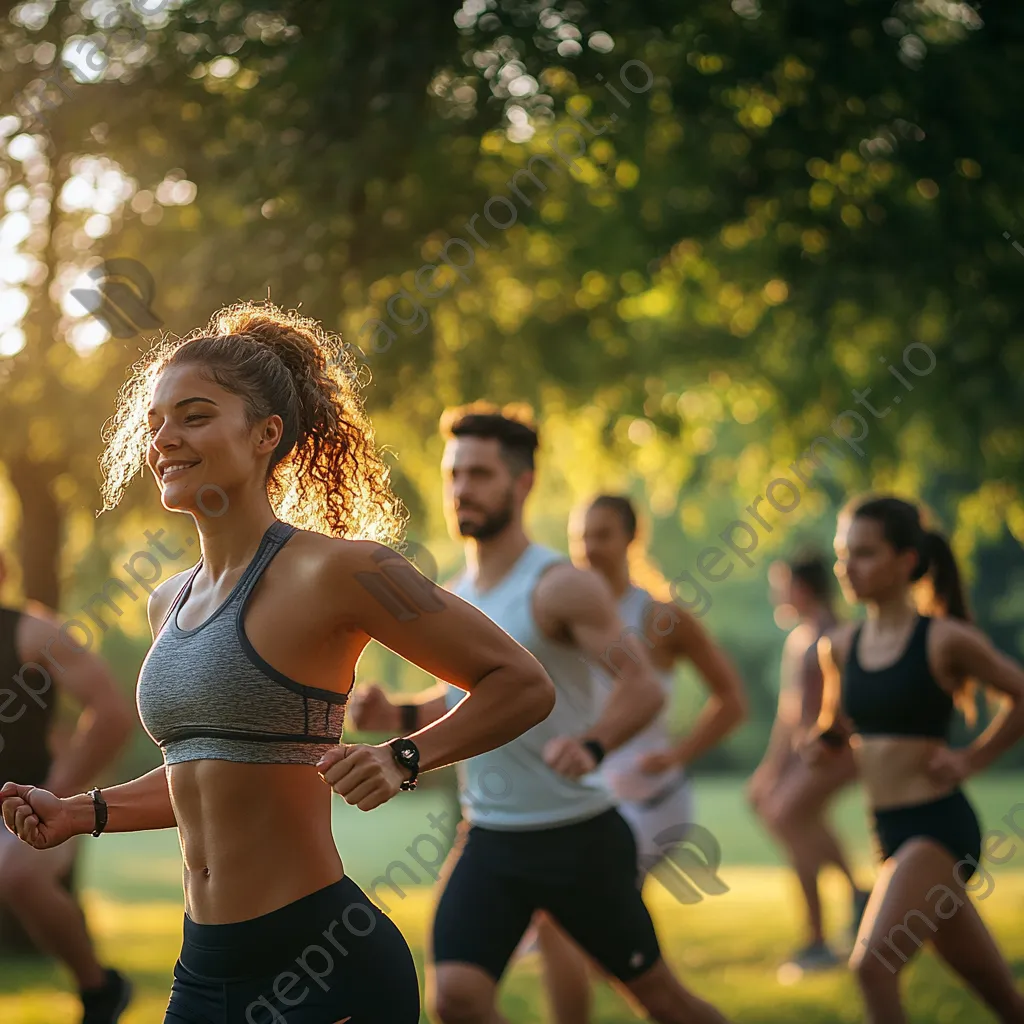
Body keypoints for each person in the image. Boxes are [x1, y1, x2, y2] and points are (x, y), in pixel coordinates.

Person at [1, 303, 556, 1024]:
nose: (165, 438)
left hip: (323, 961)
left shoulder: (343, 571)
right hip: (203, 967)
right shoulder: (166, 600)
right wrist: (82, 811)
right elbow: (209, 774)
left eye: (195, 416)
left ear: (266, 434)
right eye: (155, 422)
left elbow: (522, 683)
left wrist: (405, 755)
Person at [350, 404, 732, 1024]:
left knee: (660, 999)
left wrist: (595, 744)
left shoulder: (560, 587)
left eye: (479, 474)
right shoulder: (460, 596)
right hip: (492, 839)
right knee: (457, 1001)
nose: (462, 489)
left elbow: (642, 686)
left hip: (578, 837)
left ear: (521, 483)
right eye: (454, 475)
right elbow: (466, 702)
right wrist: (395, 711)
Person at [527, 494, 747, 1024]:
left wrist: (677, 755)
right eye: (581, 535)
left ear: (631, 539)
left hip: (652, 799)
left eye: (602, 534)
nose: (588, 548)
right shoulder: (563, 617)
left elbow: (732, 701)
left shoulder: (662, 618)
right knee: (602, 946)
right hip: (591, 797)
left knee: (559, 920)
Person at [807, 495, 1024, 1024]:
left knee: (871, 966)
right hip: (887, 831)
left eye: (863, 553)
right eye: (842, 554)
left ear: (906, 561)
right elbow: (836, 725)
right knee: (1003, 999)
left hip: (938, 831)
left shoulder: (944, 639)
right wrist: (820, 744)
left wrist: (972, 759)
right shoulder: (838, 647)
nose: (846, 567)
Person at [0, 552, 136, 1023]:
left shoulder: (35, 632)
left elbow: (113, 713)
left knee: (16, 873)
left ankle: (100, 988)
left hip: (32, 803)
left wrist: (59, 793)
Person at [748, 553, 871, 972]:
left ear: (801, 588)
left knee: (787, 816)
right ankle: (857, 894)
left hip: (834, 753)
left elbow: (845, 709)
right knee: (777, 811)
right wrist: (769, 770)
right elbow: (790, 715)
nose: (777, 594)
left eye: (781, 585)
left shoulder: (835, 634)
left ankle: (818, 939)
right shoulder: (799, 637)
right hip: (805, 755)